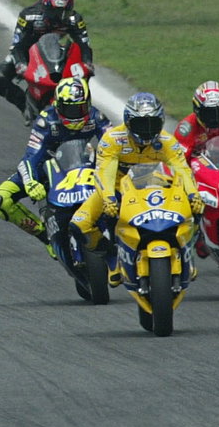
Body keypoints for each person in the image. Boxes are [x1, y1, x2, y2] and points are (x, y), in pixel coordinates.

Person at [68, 92, 202, 285]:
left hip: (156, 187)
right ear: (128, 122)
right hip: (117, 188)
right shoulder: (112, 139)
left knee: (196, 208)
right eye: (141, 124)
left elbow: (182, 169)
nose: (147, 130)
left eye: (152, 124)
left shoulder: (167, 142)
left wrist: (193, 194)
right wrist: (108, 197)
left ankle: (187, 255)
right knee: (79, 225)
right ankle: (112, 256)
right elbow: (104, 171)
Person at [0, 77, 109, 243]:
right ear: (57, 105)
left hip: (85, 167)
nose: (74, 114)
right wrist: (31, 182)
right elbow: (30, 157)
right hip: (47, 169)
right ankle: (44, 235)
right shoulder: (45, 121)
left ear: (88, 104)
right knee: (1, 199)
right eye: (68, 109)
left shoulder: (97, 117)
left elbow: (114, 145)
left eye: (79, 108)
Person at [0, 0, 94, 121]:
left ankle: (84, 110)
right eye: (54, 11)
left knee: (84, 74)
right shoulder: (28, 16)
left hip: (57, 53)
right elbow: (17, 45)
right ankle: (24, 106)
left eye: (64, 12)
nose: (59, 17)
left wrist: (87, 63)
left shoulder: (75, 19)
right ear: (46, 7)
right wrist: (21, 64)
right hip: (28, 52)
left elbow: (84, 45)